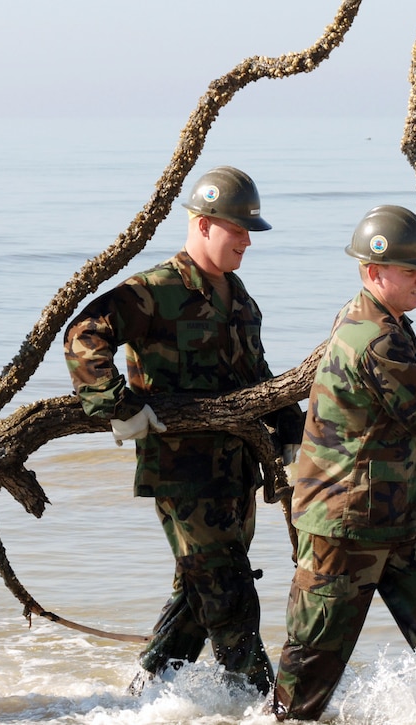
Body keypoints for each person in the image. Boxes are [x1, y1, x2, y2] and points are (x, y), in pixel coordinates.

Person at [64, 166, 304, 696]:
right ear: (201, 223)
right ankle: (262, 704)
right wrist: (115, 404)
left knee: (199, 594)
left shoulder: (238, 297)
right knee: (229, 591)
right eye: (237, 229)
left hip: (236, 472)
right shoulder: (156, 290)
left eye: (248, 231)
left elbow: (255, 374)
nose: (246, 240)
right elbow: (84, 334)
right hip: (182, 474)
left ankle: (144, 694)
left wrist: (287, 417)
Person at [270, 205, 416, 719]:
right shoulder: (379, 339)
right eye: (412, 272)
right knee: (307, 684)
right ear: (374, 272)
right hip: (344, 526)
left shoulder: (368, 318)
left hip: (401, 515)